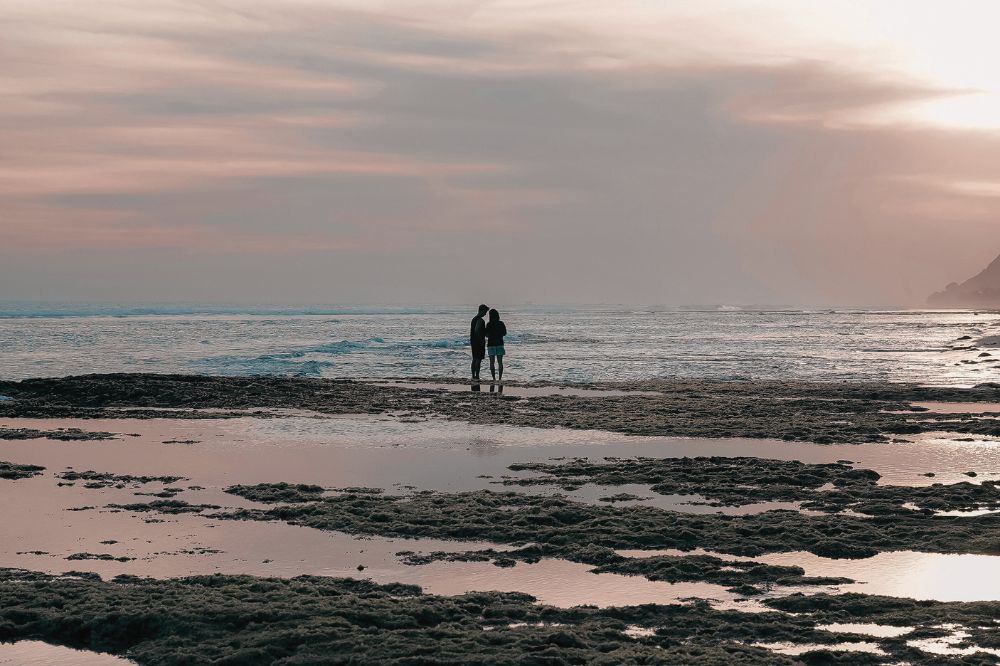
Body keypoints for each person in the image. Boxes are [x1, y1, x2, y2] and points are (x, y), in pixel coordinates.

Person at [485, 308, 507, 382]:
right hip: (499, 343)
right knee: (500, 362)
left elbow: (486, 335)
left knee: (492, 362)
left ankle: (493, 378)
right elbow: (504, 333)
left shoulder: (489, 324)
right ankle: (500, 378)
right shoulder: (501, 323)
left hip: (491, 344)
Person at [470, 304, 488, 380]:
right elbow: (477, 330)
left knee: (474, 359)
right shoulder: (480, 320)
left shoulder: (473, 319)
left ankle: (473, 375)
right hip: (478, 342)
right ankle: (477, 375)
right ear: (482, 311)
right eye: (485, 312)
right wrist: (481, 340)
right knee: (478, 359)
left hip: (473, 341)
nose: (485, 314)